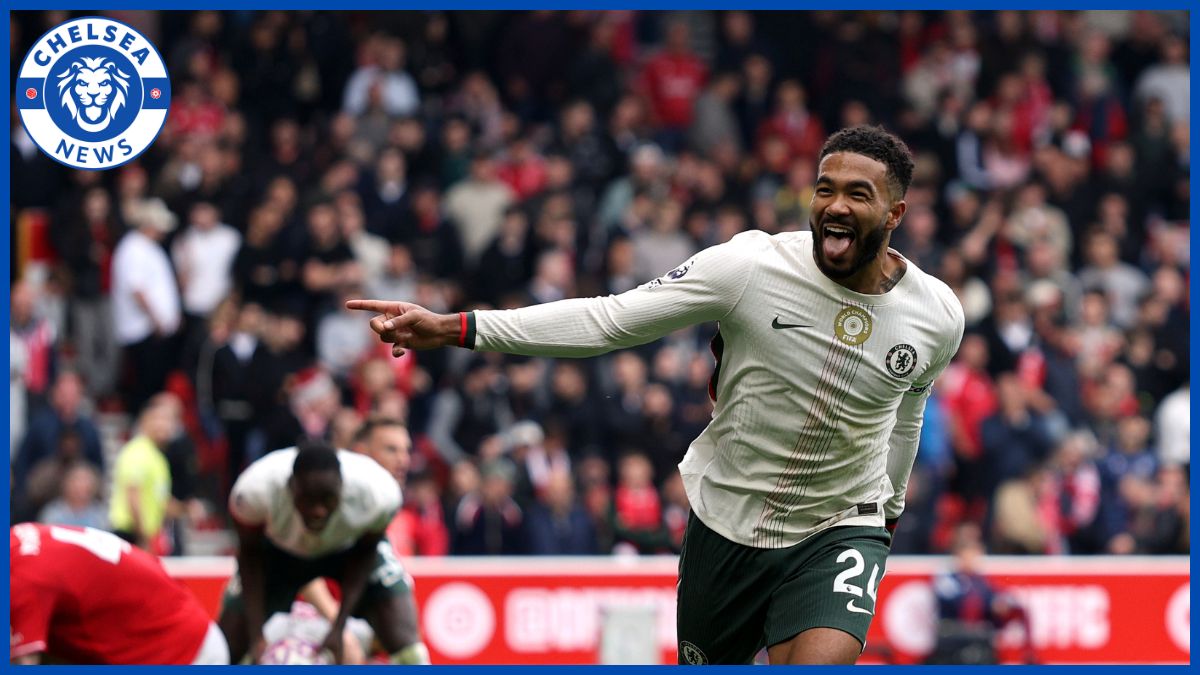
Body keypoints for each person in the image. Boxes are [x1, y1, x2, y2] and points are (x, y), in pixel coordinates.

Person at [349, 126, 965, 664]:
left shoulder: (936, 315)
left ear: (895, 213)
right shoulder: (750, 267)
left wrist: (887, 513)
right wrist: (459, 327)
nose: (835, 205)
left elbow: (906, 413)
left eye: (858, 194)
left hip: (841, 525)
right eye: (825, 189)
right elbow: (609, 321)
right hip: (728, 520)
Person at [218, 440, 429, 665]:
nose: (318, 511)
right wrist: (256, 635)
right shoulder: (254, 491)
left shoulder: (377, 493)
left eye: (327, 499)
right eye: (308, 500)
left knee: (407, 643)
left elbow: (365, 554)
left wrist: (339, 627)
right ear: (290, 488)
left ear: (342, 487)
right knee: (225, 650)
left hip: (348, 548)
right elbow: (250, 557)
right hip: (278, 553)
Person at [9, 523, 229, 664]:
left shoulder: (24, 582)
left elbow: (25, 662)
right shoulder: (19, 536)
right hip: (182, 631)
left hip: (183, 653)